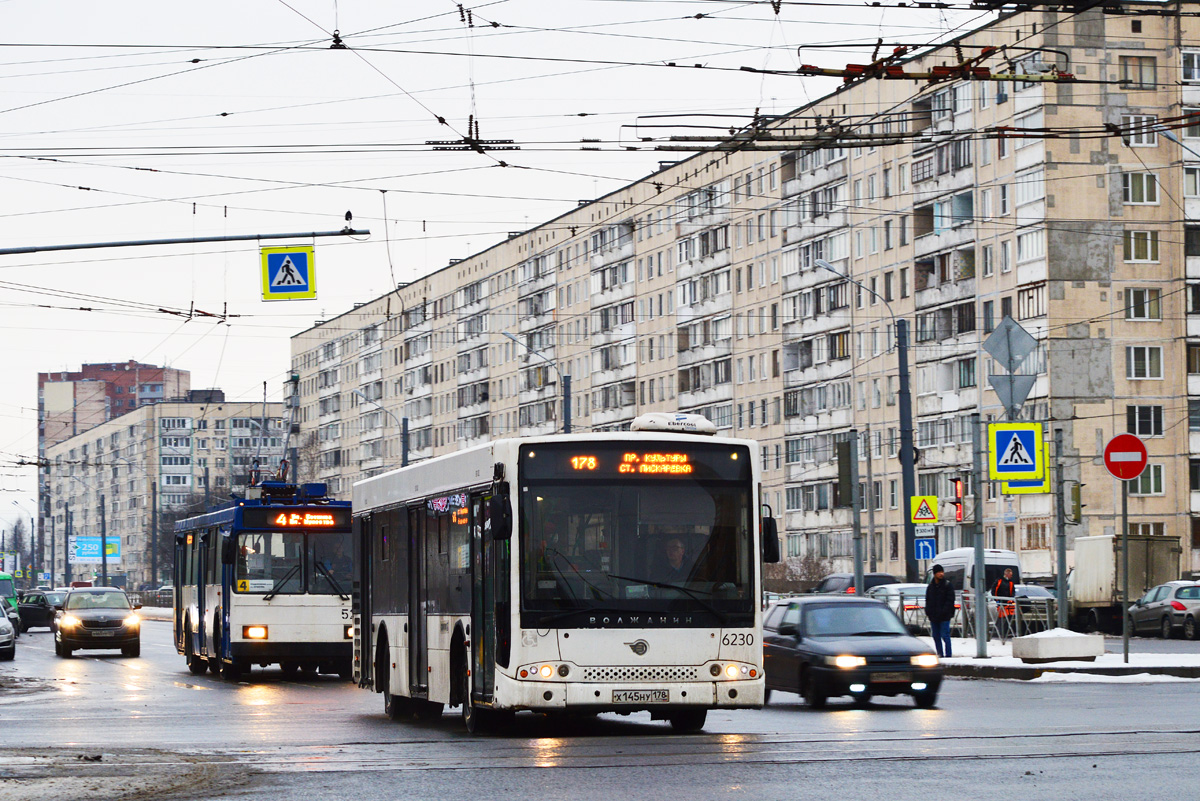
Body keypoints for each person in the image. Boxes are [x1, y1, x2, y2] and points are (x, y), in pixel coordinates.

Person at [925, 564, 955, 658]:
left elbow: (950, 600)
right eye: (939, 572)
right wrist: (928, 612)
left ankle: (948, 655)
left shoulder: (947, 585)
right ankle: (940, 654)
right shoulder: (931, 586)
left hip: (944, 615)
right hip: (934, 616)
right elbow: (928, 600)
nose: (941, 574)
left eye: (942, 572)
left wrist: (944, 611)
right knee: (936, 636)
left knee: (945, 635)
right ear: (934, 574)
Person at [993, 567, 1017, 640]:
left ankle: (1006, 631)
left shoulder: (1011, 582)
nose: (1011, 576)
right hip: (1001, 602)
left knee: (1009, 617)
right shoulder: (999, 581)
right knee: (1001, 617)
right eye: (1010, 575)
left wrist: (1011, 599)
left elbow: (1012, 591)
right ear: (1006, 574)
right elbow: (994, 590)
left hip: (1008, 603)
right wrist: (997, 600)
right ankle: (999, 632)